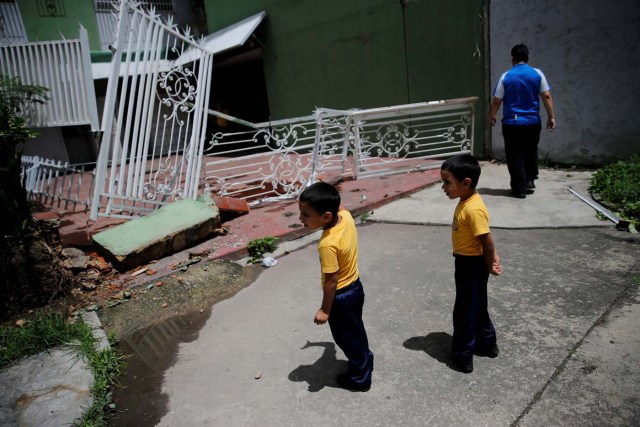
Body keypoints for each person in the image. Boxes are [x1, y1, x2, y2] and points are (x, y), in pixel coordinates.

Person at [298, 182, 374, 391]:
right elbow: (340, 206)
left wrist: (324, 310)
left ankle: (360, 378)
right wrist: (325, 188)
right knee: (356, 330)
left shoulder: (327, 244)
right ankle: (366, 359)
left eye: (305, 214)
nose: (300, 218)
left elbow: (331, 281)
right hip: (356, 288)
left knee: (347, 337)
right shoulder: (346, 218)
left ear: (326, 217)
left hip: (340, 297)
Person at [440, 154, 502, 373]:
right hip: (469, 262)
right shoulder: (466, 201)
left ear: (466, 183)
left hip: (471, 265)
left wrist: (488, 264)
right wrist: (491, 257)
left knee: (464, 311)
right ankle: (487, 344)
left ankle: (463, 355)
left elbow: (487, 239)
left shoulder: (473, 208)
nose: (443, 187)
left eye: (447, 182)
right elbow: (484, 239)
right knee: (477, 306)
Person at [489, 44, 556, 198]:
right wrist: (551, 116)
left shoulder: (505, 76)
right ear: (528, 57)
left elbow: (497, 101)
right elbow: (546, 96)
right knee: (531, 150)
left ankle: (519, 189)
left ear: (512, 59)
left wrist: (491, 115)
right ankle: (530, 180)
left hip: (512, 123)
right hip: (532, 122)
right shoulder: (537, 73)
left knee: (514, 155)